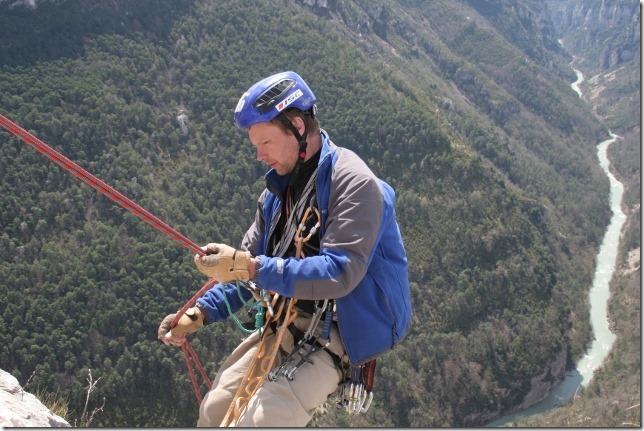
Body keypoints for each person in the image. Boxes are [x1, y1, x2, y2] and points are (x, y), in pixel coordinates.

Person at [158, 71, 412, 427]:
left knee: (261, 422)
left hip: (339, 332)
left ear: (296, 125)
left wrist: (252, 268)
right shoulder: (277, 196)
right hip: (287, 318)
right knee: (214, 411)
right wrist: (198, 313)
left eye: (265, 143)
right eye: (255, 145)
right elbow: (242, 270)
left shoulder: (355, 185)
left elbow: (340, 273)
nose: (259, 156)